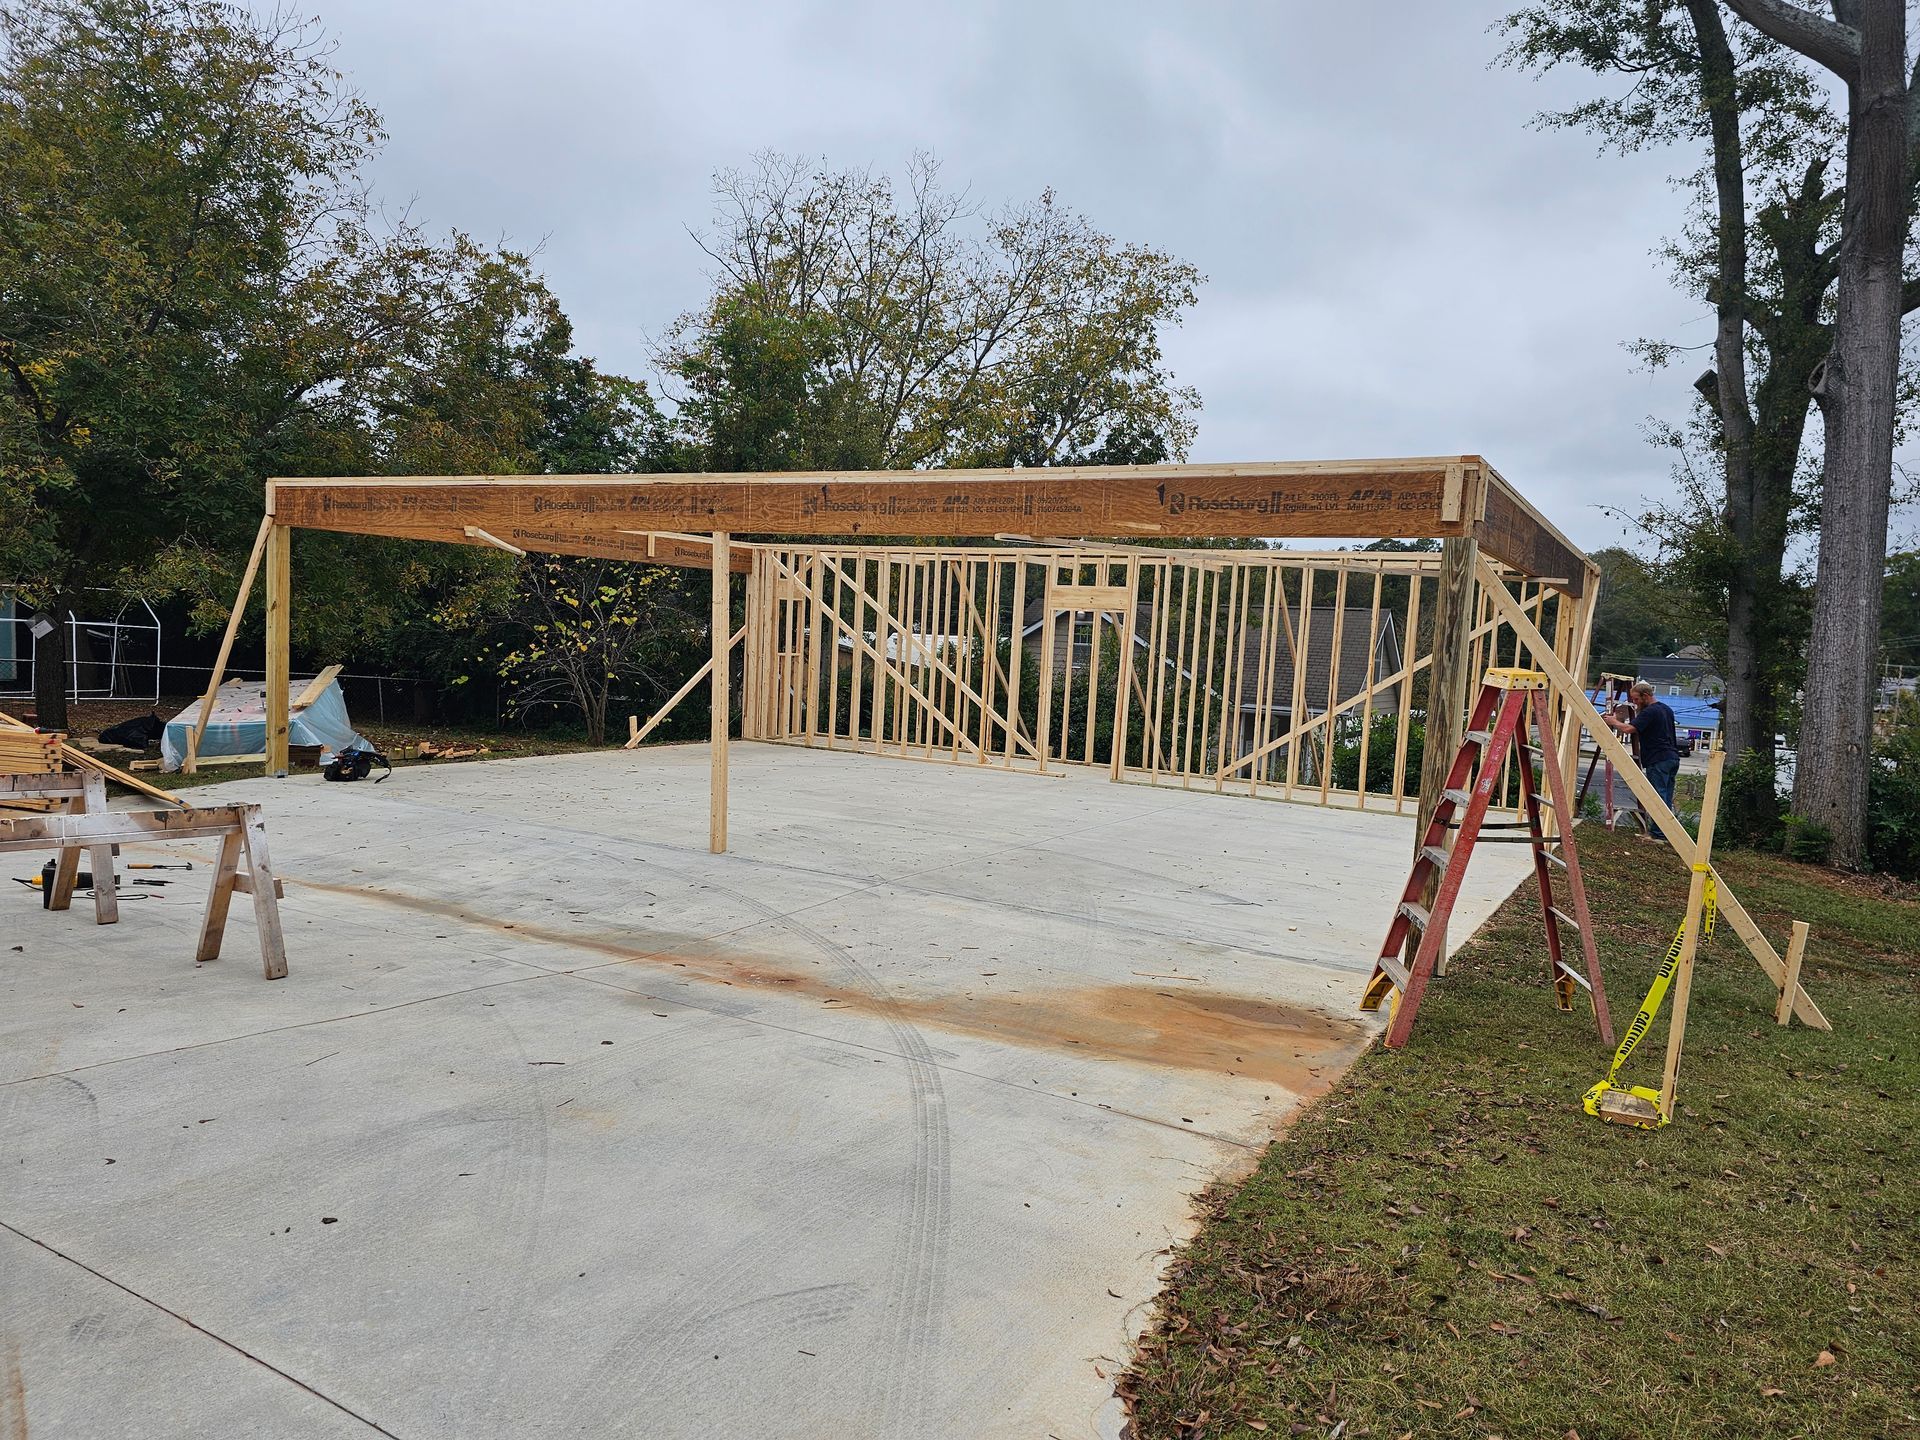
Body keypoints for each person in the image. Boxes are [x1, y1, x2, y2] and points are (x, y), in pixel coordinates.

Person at [1605, 681, 1680, 813]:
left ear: (1645, 696)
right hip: (1672, 758)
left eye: (1636, 699)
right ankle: (1665, 832)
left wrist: (1613, 721)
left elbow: (1629, 729)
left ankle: (1658, 833)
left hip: (1657, 759)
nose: (1635, 702)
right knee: (1666, 797)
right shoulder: (1666, 709)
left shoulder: (1649, 712)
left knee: (1658, 799)